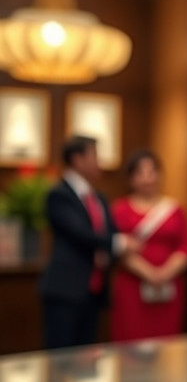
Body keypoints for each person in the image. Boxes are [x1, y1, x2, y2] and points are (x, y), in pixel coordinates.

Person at [39, 136, 138, 349]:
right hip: (66, 290)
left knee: (86, 358)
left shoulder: (99, 198)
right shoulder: (58, 195)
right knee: (61, 357)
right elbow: (79, 234)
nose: (99, 162)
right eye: (95, 155)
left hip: (93, 291)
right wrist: (119, 243)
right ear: (77, 159)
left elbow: (110, 231)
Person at [110, 150, 187, 341]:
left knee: (166, 344)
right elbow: (116, 247)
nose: (147, 179)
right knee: (131, 342)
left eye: (151, 172)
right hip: (132, 287)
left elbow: (186, 246)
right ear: (131, 178)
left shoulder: (175, 209)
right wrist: (149, 273)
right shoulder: (119, 210)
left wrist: (164, 273)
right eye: (140, 173)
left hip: (169, 286)